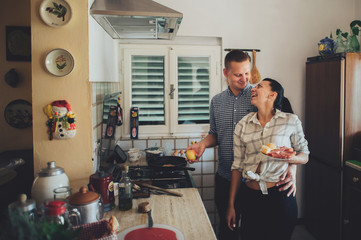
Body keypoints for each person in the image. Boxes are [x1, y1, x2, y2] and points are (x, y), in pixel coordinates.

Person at [186, 50, 298, 240]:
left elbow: (289, 135)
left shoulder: (260, 96)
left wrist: (292, 170)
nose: (244, 79)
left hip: (253, 183)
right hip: (225, 176)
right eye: (238, 74)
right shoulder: (216, 102)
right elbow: (216, 133)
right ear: (225, 73)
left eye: (247, 73)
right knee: (227, 230)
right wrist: (203, 144)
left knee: (254, 232)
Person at [226, 78, 309, 240]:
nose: (253, 89)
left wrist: (290, 159)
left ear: (272, 95)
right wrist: (231, 205)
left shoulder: (290, 121)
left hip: (280, 196)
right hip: (250, 197)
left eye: (259, 86)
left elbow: (304, 154)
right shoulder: (243, 125)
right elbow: (236, 167)